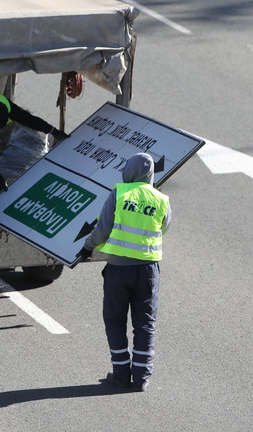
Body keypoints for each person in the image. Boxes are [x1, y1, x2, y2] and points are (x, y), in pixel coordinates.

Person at [76, 153, 170, 392]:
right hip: (149, 269)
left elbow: (102, 230)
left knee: (115, 320)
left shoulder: (120, 193)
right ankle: (141, 378)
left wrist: (87, 248)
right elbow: (164, 227)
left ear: (129, 170)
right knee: (145, 323)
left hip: (119, 270)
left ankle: (120, 372)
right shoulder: (162, 199)